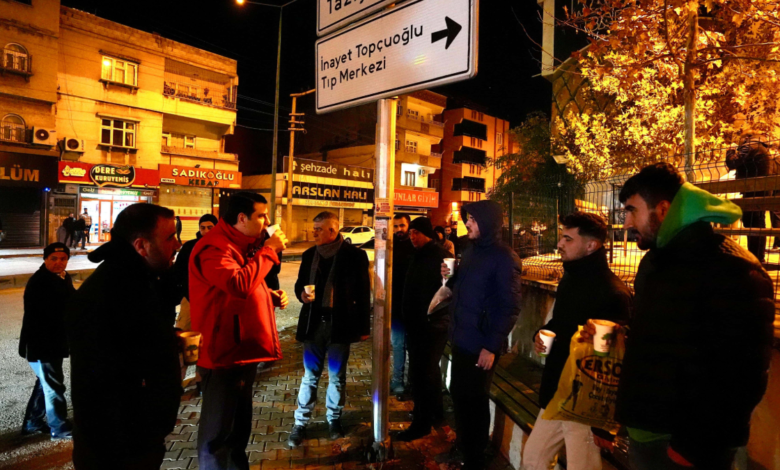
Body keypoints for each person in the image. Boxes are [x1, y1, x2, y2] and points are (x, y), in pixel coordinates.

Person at [589, 162, 774, 470]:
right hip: (645, 432)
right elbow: (663, 336)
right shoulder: (655, 263)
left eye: (632, 210)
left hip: (685, 447)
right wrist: (619, 336)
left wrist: (693, 449)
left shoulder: (732, 268)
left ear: (662, 209)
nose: (626, 223)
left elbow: (742, 372)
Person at [66, 204, 183, 469]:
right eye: (170, 237)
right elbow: (103, 385)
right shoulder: (113, 292)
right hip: (119, 449)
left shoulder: (141, 280)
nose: (177, 244)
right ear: (141, 245)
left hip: (138, 438)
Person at [522, 212, 632, 470]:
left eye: (567, 238)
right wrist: (541, 333)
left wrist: (604, 426)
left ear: (591, 245)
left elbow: (611, 366)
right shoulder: (570, 279)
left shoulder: (611, 293)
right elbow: (560, 323)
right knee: (534, 460)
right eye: (562, 237)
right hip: (556, 393)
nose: (559, 244)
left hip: (585, 406)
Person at [189, 192, 288, 470]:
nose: (267, 221)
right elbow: (236, 283)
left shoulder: (240, 243)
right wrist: (268, 250)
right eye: (261, 215)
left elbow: (244, 284)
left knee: (238, 432)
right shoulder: (214, 247)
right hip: (222, 355)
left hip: (242, 350)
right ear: (242, 218)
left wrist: (268, 295)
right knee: (217, 436)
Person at [439, 200, 522, 470]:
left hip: (481, 345)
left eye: (472, 219)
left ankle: (475, 457)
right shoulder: (472, 250)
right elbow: (466, 289)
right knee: (460, 396)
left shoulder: (504, 257)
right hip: (462, 338)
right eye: (468, 218)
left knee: (474, 401)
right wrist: (450, 278)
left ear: (487, 223)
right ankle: (465, 446)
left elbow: (509, 307)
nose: (467, 223)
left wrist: (491, 346)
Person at [288, 211, 371, 447]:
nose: (313, 232)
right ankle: (300, 422)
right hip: (313, 324)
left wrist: (363, 327)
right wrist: (301, 295)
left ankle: (334, 419)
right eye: (313, 227)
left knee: (337, 377)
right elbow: (298, 285)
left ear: (333, 231)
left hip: (340, 325)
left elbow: (364, 293)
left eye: (318, 229)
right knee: (309, 376)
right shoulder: (308, 255)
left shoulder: (354, 256)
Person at [395, 217, 452, 442]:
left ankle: (421, 423)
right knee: (428, 372)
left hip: (430, 325)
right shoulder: (419, 254)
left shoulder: (437, 256)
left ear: (427, 233)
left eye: (416, 233)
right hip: (419, 324)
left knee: (420, 374)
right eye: (411, 233)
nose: (412, 236)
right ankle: (435, 412)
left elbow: (447, 288)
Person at [19, 242, 76, 439]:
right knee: (53, 387)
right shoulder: (41, 282)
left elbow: (73, 302)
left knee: (46, 384)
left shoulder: (62, 277)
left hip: (54, 343)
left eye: (63, 259)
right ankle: (59, 428)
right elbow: (47, 317)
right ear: (45, 259)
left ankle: (33, 422)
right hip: (42, 345)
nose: (59, 262)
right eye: (53, 259)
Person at [725, 135, 777, 263]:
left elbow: (732, 162)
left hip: (752, 189)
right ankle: (758, 257)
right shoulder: (762, 148)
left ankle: (754, 258)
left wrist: (730, 150)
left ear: (746, 138)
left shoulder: (750, 146)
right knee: (758, 223)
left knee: (752, 223)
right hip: (761, 189)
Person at [173, 214, 218, 331]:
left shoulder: (222, 246)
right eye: (202, 228)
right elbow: (178, 270)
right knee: (184, 330)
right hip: (190, 296)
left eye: (210, 227)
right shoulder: (189, 246)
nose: (206, 231)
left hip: (214, 298)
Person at [391, 213, 415, 396]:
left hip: (413, 306)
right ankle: (397, 380)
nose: (399, 229)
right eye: (396, 226)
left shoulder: (415, 246)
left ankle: (412, 381)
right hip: (396, 306)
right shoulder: (389, 247)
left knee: (413, 346)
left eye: (402, 226)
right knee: (398, 345)